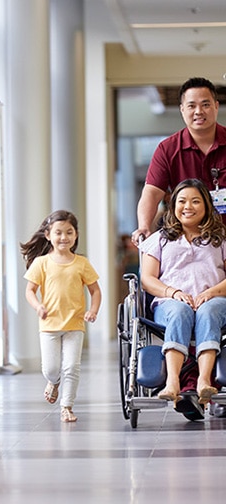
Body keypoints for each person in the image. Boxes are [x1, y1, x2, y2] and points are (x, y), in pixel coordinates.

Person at [132, 76, 226, 418]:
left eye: (205, 104)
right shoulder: (169, 149)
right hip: (181, 262)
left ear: (216, 105)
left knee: (212, 310)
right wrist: (145, 226)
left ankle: (201, 385)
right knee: (184, 312)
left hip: (220, 249)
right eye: (191, 105)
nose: (198, 111)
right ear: (182, 110)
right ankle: (191, 387)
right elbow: (152, 192)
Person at [139, 179, 226, 414]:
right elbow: (147, 279)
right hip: (170, 303)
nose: (188, 206)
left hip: (214, 301)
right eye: (182, 201)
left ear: (206, 206)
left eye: (196, 201)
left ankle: (204, 381)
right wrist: (173, 293)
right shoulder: (159, 239)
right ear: (173, 205)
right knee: (180, 310)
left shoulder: (219, 239)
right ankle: (172, 382)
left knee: (208, 310)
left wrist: (211, 292)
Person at [20, 210, 102, 423]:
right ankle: (53, 382)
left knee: (72, 367)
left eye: (69, 232)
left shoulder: (81, 263)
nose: (63, 237)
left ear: (76, 235)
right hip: (49, 325)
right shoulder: (41, 263)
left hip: (75, 323)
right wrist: (38, 306)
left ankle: (66, 405)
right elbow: (30, 291)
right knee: (51, 368)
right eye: (58, 233)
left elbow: (96, 290)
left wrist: (93, 310)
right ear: (48, 235)